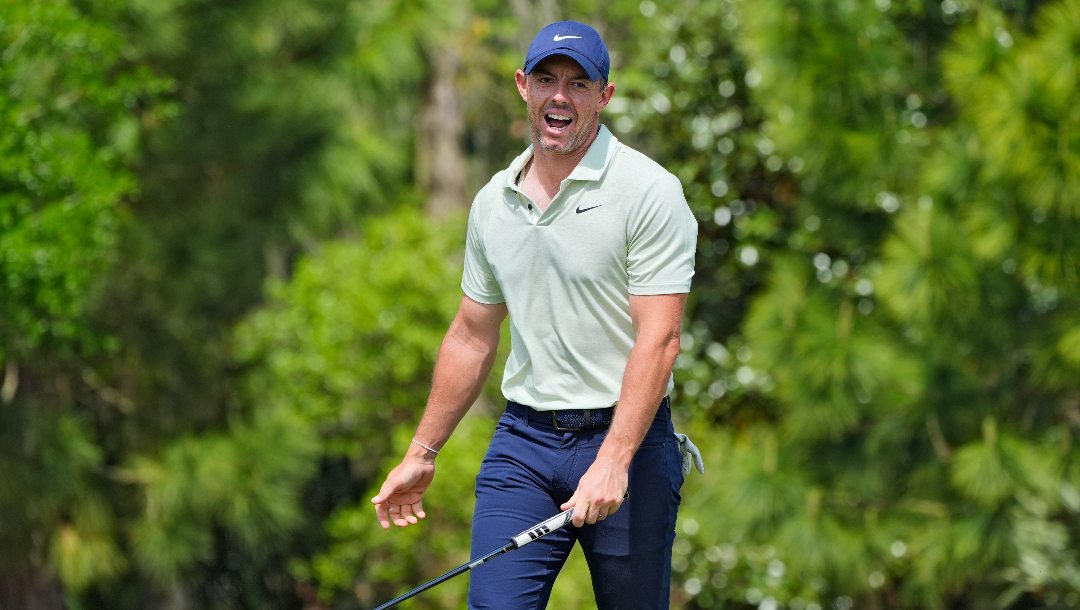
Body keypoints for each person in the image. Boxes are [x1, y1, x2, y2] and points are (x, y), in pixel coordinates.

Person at [371, 20, 698, 609]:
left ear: (605, 96)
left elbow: (661, 337)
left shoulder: (649, 191)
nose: (560, 96)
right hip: (524, 443)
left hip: (627, 437)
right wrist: (422, 453)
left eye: (579, 84)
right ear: (522, 85)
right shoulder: (494, 202)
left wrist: (614, 459)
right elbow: (472, 336)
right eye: (546, 79)